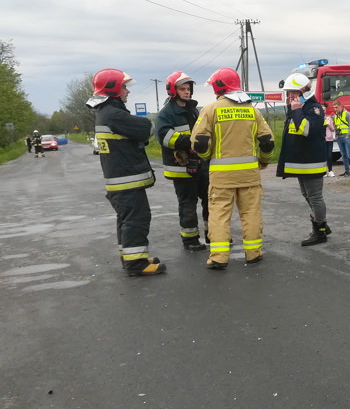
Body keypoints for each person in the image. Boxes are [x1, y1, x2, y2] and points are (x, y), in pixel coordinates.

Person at [191, 68, 275, 269]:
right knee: (251, 213)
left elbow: (199, 143)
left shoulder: (210, 110)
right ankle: (253, 253)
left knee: (219, 215)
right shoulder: (252, 110)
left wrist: (207, 157)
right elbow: (267, 141)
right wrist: (264, 160)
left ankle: (219, 257)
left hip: (221, 177)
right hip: (249, 175)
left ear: (218, 87)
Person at [86, 69, 165, 276]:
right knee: (136, 219)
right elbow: (146, 128)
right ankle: (136, 264)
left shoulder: (106, 112)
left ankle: (131, 257)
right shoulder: (114, 115)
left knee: (127, 219)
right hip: (126, 180)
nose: (127, 92)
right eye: (124, 87)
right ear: (113, 89)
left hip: (119, 179)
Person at [156, 71, 208, 251]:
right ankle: (190, 240)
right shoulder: (166, 113)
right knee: (188, 203)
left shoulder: (193, 110)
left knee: (209, 199)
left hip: (200, 163)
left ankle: (213, 234)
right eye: (183, 89)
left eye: (188, 89)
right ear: (173, 90)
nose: (187, 92)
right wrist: (189, 143)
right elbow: (164, 137)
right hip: (180, 166)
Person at [276, 73, 330, 246]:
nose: (290, 96)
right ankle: (322, 223)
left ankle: (320, 231)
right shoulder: (296, 108)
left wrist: (297, 110)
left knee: (315, 197)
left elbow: (306, 129)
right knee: (306, 194)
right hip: (301, 162)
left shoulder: (314, 109)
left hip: (312, 162)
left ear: (303, 92)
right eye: (289, 93)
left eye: (293, 92)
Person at [332, 99, 350, 177]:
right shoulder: (335, 116)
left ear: (340, 106)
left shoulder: (347, 114)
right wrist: (336, 135)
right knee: (343, 155)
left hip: (346, 137)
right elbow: (336, 126)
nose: (335, 109)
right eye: (334, 108)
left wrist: (348, 135)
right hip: (340, 137)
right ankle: (347, 171)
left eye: (337, 107)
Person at [324, 106, 336, 177]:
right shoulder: (318, 119)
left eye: (324, 110)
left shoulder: (329, 118)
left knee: (329, 155)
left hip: (329, 139)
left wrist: (329, 125)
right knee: (323, 156)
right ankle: (323, 171)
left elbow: (333, 129)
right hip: (322, 139)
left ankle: (330, 170)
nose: (323, 111)